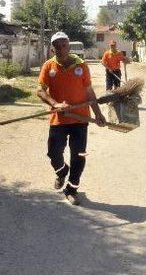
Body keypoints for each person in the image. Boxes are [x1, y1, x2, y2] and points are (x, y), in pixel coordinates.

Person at [37, 31, 106, 206]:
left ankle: (71, 189)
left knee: (79, 156)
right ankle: (62, 171)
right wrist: (55, 104)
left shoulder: (81, 66)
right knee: (53, 153)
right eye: (57, 46)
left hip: (80, 119)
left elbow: (90, 92)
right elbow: (40, 91)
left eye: (64, 45)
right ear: (52, 48)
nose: (61, 49)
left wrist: (98, 114)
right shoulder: (48, 66)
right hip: (58, 119)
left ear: (68, 46)